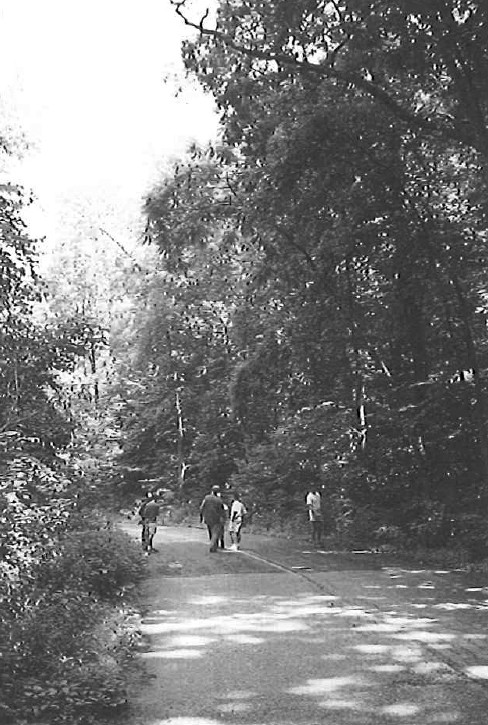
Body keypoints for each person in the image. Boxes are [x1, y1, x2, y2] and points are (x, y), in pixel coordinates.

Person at [199, 485, 226, 553]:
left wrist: (201, 516)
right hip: (216, 518)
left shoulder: (207, 498)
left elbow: (201, 507)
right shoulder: (219, 500)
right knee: (215, 533)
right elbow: (222, 510)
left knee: (211, 532)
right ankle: (213, 546)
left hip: (208, 518)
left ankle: (213, 545)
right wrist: (223, 518)